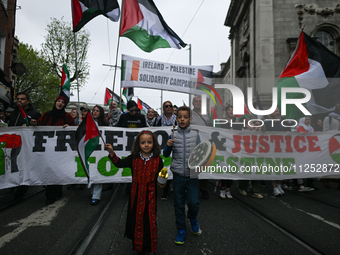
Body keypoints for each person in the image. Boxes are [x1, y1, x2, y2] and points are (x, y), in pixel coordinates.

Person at [105, 130, 165, 254]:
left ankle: (150, 247)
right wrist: (111, 152)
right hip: (136, 195)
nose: (146, 145)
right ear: (138, 144)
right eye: (143, 142)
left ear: (154, 143)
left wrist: (162, 183)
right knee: (137, 220)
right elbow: (119, 164)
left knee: (150, 221)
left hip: (151, 196)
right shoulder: (134, 158)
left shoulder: (158, 160)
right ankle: (139, 246)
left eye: (149, 142)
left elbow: (162, 176)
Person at [163, 106, 201, 245]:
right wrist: (168, 146)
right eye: (180, 117)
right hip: (178, 175)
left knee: (194, 203)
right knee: (178, 205)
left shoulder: (195, 134)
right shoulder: (172, 134)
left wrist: (200, 165)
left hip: (192, 175)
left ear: (190, 119)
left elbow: (201, 153)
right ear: (176, 118)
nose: (182, 119)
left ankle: (192, 218)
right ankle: (181, 230)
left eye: (185, 117)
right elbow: (166, 154)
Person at [31, 96, 75, 205]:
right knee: (50, 169)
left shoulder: (67, 117)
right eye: (58, 101)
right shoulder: (46, 115)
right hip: (47, 149)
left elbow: (74, 129)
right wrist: (34, 124)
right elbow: (39, 125)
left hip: (61, 149)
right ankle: (51, 194)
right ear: (55, 102)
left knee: (58, 169)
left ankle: (55, 191)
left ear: (64, 105)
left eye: (62, 102)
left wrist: (69, 127)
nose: (60, 103)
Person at [8, 92, 41, 203]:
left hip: (27, 147)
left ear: (28, 100)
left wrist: (32, 125)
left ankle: (20, 194)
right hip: (14, 145)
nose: (20, 101)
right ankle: (13, 185)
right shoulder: (14, 113)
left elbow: (41, 129)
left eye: (22, 99)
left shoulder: (35, 114)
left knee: (25, 168)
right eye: (18, 99)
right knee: (13, 166)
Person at [155, 101, 177, 200]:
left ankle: (168, 189)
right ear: (163, 108)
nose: (168, 107)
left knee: (170, 167)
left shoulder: (177, 119)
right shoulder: (158, 119)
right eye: (166, 106)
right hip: (161, 146)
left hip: (174, 145)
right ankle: (163, 188)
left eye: (170, 106)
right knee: (163, 167)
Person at [190, 95, 210, 199]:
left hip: (204, 143)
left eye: (200, 101)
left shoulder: (206, 114)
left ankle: (204, 188)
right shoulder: (189, 114)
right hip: (193, 143)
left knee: (204, 165)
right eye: (196, 101)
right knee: (194, 166)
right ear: (193, 103)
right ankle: (194, 188)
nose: (198, 103)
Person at [90, 105, 109, 205]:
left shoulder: (105, 124)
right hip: (91, 150)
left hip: (100, 151)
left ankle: (96, 196)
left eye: (97, 111)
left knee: (98, 171)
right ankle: (92, 192)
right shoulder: (87, 123)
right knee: (91, 171)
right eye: (94, 110)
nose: (95, 112)